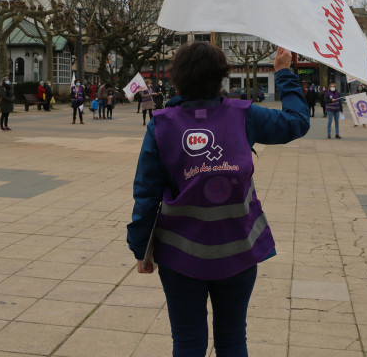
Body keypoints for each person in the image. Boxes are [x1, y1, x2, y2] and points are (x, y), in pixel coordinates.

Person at [127, 42, 309, 357]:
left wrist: (141, 249)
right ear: (222, 76)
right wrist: (284, 73)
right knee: (233, 340)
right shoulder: (244, 115)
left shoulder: (162, 124)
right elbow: (296, 122)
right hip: (238, 248)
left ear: (177, 78)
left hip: (179, 254)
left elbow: (146, 194)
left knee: (187, 343)